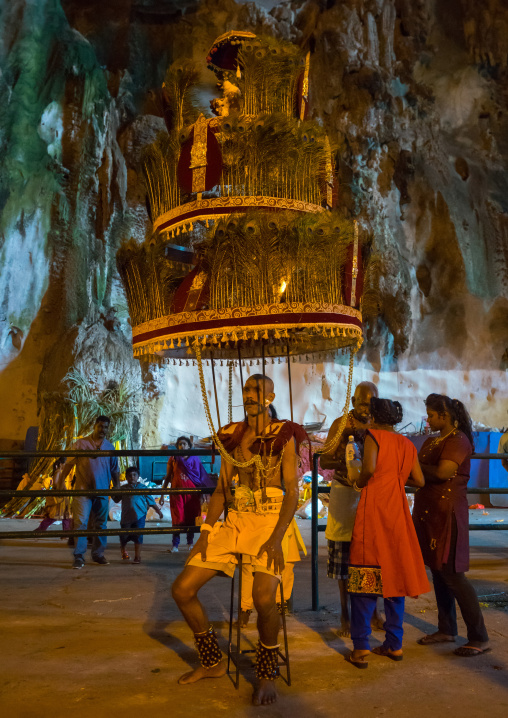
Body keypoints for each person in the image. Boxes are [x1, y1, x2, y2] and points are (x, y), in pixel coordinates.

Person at [171, 374, 306, 706]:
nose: (249, 395)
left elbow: (292, 492)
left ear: (270, 397)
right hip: (235, 520)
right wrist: (205, 532)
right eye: (246, 390)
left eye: (256, 391)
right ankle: (212, 662)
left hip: (272, 521)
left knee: (263, 598)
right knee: (182, 589)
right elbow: (220, 491)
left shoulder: (283, 435)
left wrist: (276, 539)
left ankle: (266, 674)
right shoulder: (232, 435)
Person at [347, 398, 429, 668]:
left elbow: (368, 468)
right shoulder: (406, 443)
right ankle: (394, 644)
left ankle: (361, 647)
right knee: (394, 574)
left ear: (372, 416)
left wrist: (359, 482)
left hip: (375, 507)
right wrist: (394, 476)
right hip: (397, 510)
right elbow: (419, 480)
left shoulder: (373, 436)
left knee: (365, 572)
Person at [413, 394, 490, 656]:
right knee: (438, 571)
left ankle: (479, 637)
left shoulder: (458, 441)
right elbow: (421, 474)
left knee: (453, 575)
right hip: (430, 513)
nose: (429, 419)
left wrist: (411, 466)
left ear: (445, 416)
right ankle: (446, 629)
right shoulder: (434, 440)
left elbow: (444, 472)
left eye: (432, 415)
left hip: (448, 514)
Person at [320, 381, 384, 636]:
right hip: (345, 496)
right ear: (354, 401)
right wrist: (346, 462)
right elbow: (324, 458)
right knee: (343, 559)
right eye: (362, 402)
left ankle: (372, 612)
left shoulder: (380, 424)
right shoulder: (340, 424)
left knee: (370, 557)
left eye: (372, 403)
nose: (367, 408)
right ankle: (346, 615)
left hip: (370, 495)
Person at [60, 415, 120, 569]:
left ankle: (98, 554)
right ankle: (79, 556)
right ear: (94, 426)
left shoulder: (110, 447)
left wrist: (117, 487)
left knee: (101, 524)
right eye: (100, 426)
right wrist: (60, 483)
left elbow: (114, 470)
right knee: (81, 523)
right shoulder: (81, 444)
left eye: (105, 427)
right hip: (82, 491)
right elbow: (68, 465)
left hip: (102, 490)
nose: (103, 430)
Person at [160, 436, 215, 553]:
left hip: (192, 495)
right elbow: (168, 476)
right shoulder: (174, 458)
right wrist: (161, 495)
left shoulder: (195, 459)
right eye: (179, 444)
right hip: (177, 494)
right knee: (177, 519)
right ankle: (175, 545)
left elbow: (201, 477)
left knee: (191, 518)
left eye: (184, 444)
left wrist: (202, 494)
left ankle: (190, 544)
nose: (182, 446)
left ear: (189, 446)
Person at [114, 466, 163, 563]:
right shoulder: (123, 488)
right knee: (123, 536)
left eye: (134, 475)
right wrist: (113, 490)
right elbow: (116, 499)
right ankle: (123, 551)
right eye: (129, 475)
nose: (132, 477)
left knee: (138, 536)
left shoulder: (143, 488)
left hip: (139, 516)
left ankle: (137, 557)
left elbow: (151, 501)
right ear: (126, 477)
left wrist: (159, 511)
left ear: (138, 476)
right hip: (126, 517)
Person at [33, 457, 72, 534]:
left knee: (67, 517)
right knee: (53, 516)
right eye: (65, 464)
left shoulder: (62, 472)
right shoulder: (58, 472)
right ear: (61, 464)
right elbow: (56, 485)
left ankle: (66, 534)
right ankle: (41, 529)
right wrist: (64, 487)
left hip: (64, 498)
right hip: (60, 498)